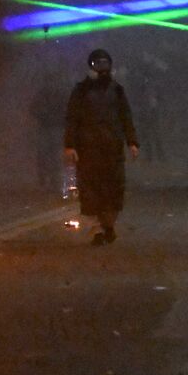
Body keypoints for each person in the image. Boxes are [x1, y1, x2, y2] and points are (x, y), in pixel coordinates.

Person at [64, 49, 139, 246]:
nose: (103, 69)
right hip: (88, 150)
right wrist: (70, 145)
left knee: (113, 190)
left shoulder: (117, 90)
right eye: (99, 65)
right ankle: (97, 229)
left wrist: (132, 142)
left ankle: (108, 225)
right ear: (91, 67)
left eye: (106, 64)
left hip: (112, 149)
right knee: (90, 190)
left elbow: (126, 117)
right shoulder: (80, 91)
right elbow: (72, 119)